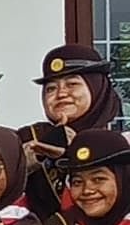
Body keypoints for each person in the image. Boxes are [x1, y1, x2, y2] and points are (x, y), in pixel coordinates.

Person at [24, 45, 123, 212]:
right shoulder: (28, 137)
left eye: (72, 84)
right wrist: (40, 152)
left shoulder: (126, 144)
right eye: (51, 88)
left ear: (96, 88)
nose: (61, 93)